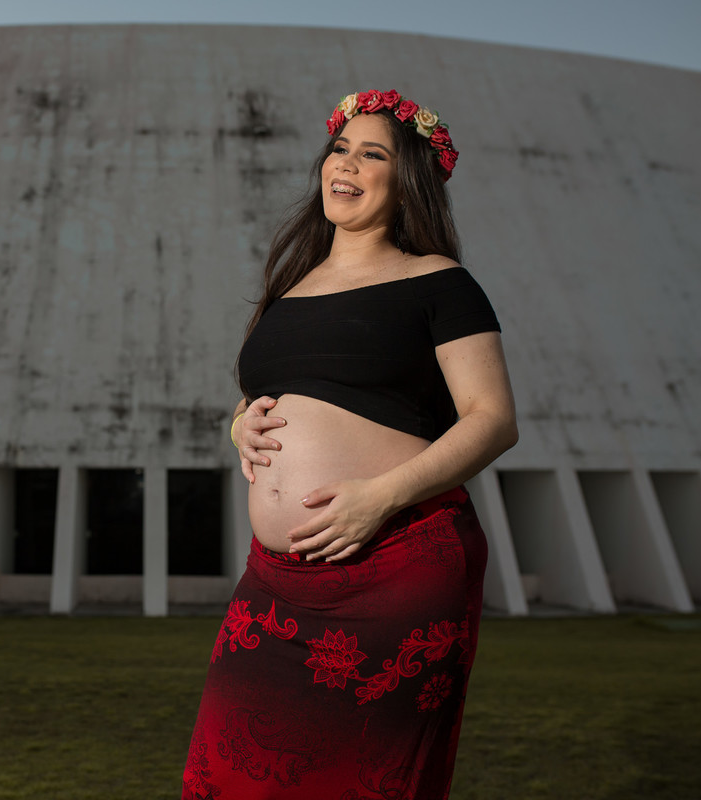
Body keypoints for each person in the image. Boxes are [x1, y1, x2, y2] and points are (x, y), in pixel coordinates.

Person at [181, 89, 518, 800]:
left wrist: (378, 499)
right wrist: (239, 424)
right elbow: (271, 391)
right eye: (341, 148)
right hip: (276, 582)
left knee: (364, 783)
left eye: (374, 155)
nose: (348, 165)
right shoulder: (290, 286)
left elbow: (491, 419)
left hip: (396, 562)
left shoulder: (440, 284)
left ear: (408, 181)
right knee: (234, 773)